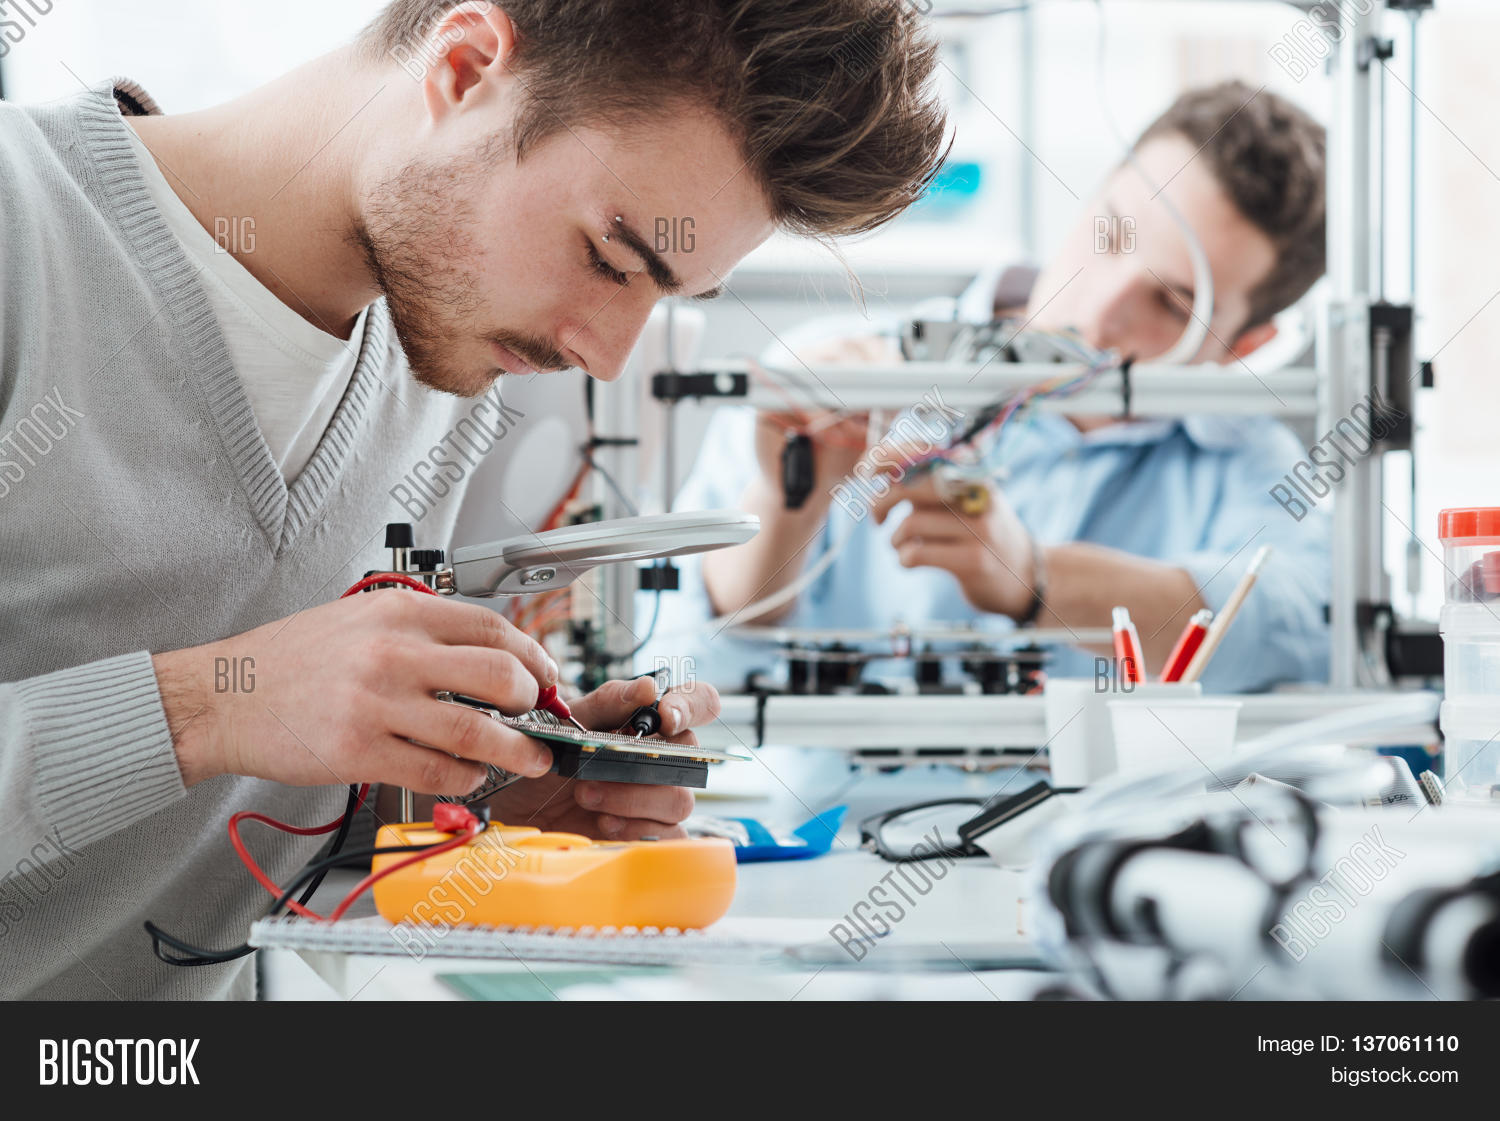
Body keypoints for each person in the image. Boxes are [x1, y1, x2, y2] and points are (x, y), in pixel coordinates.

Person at [0, 0, 948, 999]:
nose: (604, 354)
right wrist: (205, 705)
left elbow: (225, 847)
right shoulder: (24, 232)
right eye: (610, 259)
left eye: (664, 298)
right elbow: (225, 722)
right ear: (463, 66)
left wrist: (485, 793)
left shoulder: (436, 358)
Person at [650, 82, 1331, 693]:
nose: (1098, 311)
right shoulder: (834, 370)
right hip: (833, 830)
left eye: (1174, 304)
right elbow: (676, 665)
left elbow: (1292, 635)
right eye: (1112, 234)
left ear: (1244, 347)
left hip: (1100, 835)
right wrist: (784, 506)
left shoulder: (1253, 465)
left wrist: (1034, 577)